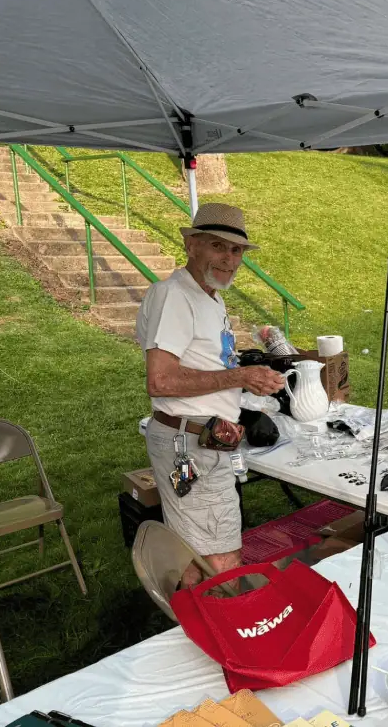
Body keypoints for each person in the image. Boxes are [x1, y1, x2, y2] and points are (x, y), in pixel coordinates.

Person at [137, 203, 285, 588]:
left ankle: (196, 624)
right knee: (220, 558)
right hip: (190, 442)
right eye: (218, 246)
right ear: (191, 246)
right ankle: (226, 634)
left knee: (198, 550)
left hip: (205, 439)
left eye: (236, 251)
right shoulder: (175, 296)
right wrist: (240, 375)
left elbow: (205, 365)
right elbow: (161, 381)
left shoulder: (210, 297)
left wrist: (246, 380)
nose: (230, 259)